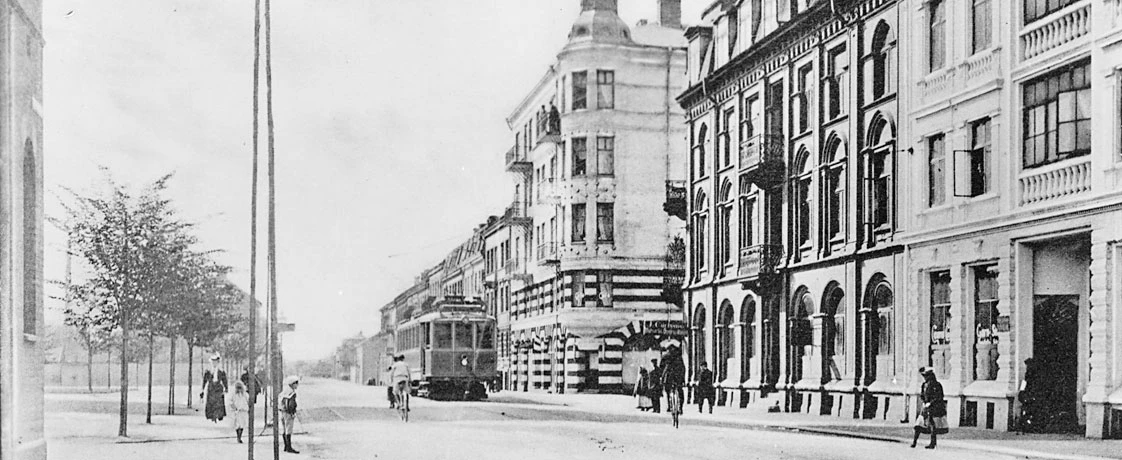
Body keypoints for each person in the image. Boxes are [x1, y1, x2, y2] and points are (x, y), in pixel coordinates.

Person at [912, 367, 948, 449]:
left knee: (932, 425)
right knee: (918, 424)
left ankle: (932, 443)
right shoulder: (924, 385)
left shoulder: (937, 385)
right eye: (924, 376)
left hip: (935, 408)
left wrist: (930, 403)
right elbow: (922, 395)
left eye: (926, 376)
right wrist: (924, 402)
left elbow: (939, 396)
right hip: (925, 407)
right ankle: (914, 442)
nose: (925, 378)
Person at [200, 353, 228, 423]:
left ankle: (218, 415)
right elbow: (204, 381)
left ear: (218, 362)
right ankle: (211, 416)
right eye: (213, 361)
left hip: (218, 388)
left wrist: (226, 388)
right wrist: (202, 389)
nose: (214, 363)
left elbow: (224, 380)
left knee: (218, 402)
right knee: (211, 402)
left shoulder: (221, 371)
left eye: (215, 361)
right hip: (211, 388)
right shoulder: (208, 371)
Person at [280, 376, 300, 454]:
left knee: (284, 429)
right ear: (292, 384)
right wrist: (292, 412)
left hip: (282, 411)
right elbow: (291, 404)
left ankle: (286, 446)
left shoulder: (285, 391)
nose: (297, 385)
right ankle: (289, 447)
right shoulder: (292, 393)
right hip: (288, 413)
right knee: (289, 429)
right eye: (296, 383)